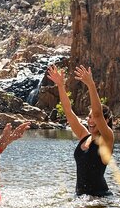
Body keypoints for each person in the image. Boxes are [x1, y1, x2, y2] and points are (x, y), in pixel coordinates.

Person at [47, 65, 114, 196]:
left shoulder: (107, 138)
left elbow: (98, 113)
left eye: (94, 118)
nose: (91, 120)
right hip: (81, 198)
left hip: (100, 198)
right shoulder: (84, 135)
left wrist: (91, 85)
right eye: (89, 117)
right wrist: (61, 86)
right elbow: (68, 111)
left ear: (105, 121)